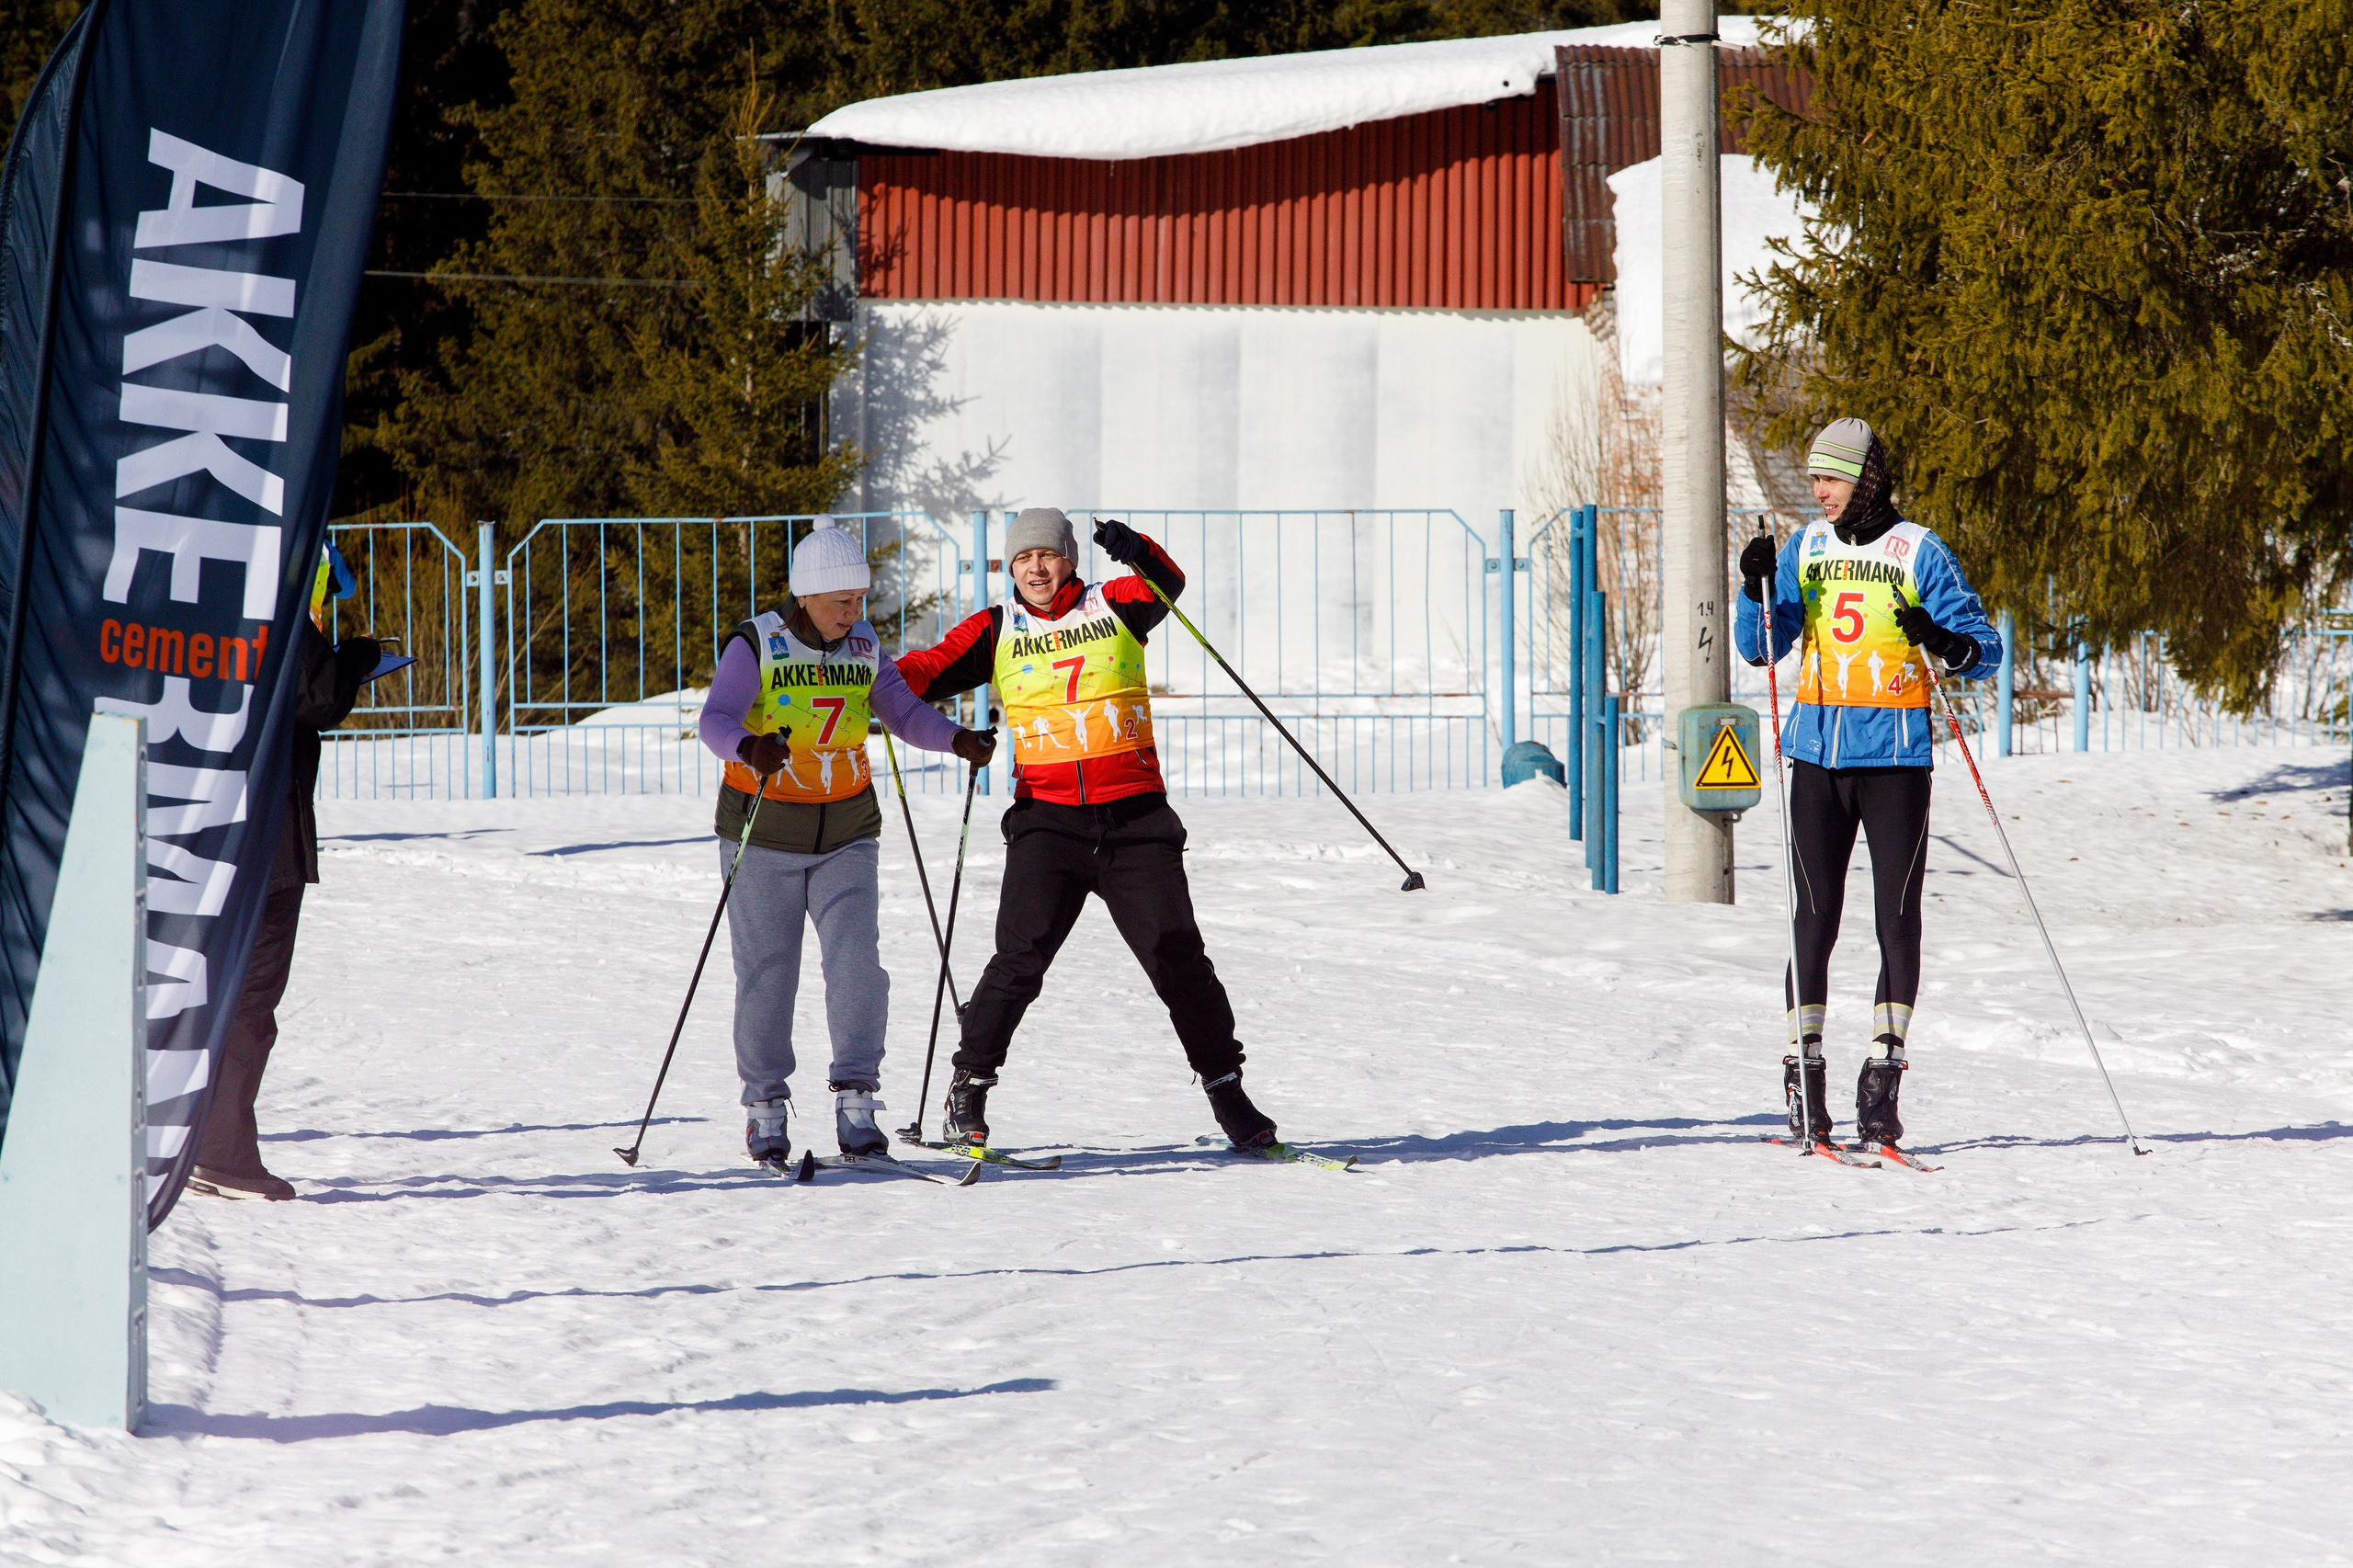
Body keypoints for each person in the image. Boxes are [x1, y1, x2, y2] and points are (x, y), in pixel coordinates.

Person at [893, 506, 1280, 1153]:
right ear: (1010, 567)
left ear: (1069, 558)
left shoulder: (1115, 604)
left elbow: (1168, 582)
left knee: (1178, 960)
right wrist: (859, 678)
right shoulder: (996, 627)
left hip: (1135, 819)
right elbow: (921, 672)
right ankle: (969, 1089)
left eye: (1047, 555)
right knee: (1019, 962)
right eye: (1023, 558)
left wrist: (1137, 549)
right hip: (1048, 823)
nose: (1035, 568)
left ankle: (1228, 1092)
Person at [1733, 418, 2002, 1151]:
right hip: (1817, 760)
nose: (1819, 492)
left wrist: (1943, 640)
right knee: (1813, 919)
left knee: (1896, 920)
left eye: (1831, 479)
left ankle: (1883, 1083)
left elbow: (1986, 653)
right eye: (1815, 480)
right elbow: (1761, 648)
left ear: (1865, 480)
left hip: (1894, 764)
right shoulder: (1807, 548)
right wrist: (1753, 587)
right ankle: (1805, 1079)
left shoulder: (1919, 551)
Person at [697, 517, 995, 1167]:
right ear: (805, 594)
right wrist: (749, 747)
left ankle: (858, 1100)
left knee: (858, 967)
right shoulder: (756, 642)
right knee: (768, 974)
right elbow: (714, 719)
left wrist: (955, 739)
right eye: (840, 601)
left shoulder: (863, 644)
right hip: (764, 832)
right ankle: (765, 1107)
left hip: (847, 832)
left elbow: (902, 712)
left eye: (858, 599)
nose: (852, 612)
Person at [189, 548, 381, 1200]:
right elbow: (320, 697)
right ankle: (221, 1154)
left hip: (209, 822)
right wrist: (353, 659)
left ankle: (190, 1138)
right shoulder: (276, 603)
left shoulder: (201, 597)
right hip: (265, 833)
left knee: (208, 983)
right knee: (250, 994)